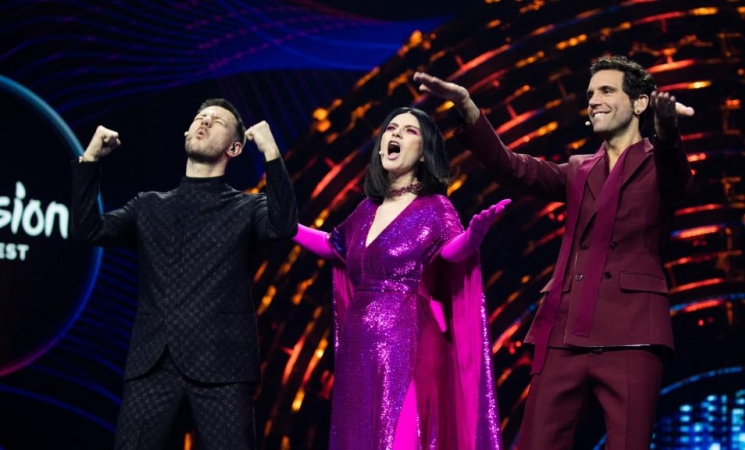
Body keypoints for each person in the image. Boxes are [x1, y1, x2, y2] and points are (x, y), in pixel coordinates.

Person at [414, 55, 695, 449]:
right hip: (564, 330)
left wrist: (667, 135)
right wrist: (468, 108)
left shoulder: (660, 162)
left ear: (640, 103)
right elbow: (513, 167)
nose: (594, 100)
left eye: (607, 91)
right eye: (590, 93)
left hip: (632, 333)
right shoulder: (578, 170)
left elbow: (678, 182)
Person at [71, 98, 298, 449]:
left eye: (216, 121)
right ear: (187, 133)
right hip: (153, 363)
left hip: (223, 365)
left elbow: (283, 227)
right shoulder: (148, 205)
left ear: (235, 148)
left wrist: (271, 153)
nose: (204, 123)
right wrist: (90, 161)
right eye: (199, 118)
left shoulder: (247, 207)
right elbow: (87, 231)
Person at [292, 107, 506, 449]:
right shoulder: (364, 210)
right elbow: (332, 245)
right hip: (357, 345)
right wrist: (289, 227)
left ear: (424, 153)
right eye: (392, 128)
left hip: (409, 339)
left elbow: (449, 252)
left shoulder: (435, 207)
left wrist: (473, 237)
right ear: (380, 147)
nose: (396, 134)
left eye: (410, 131)